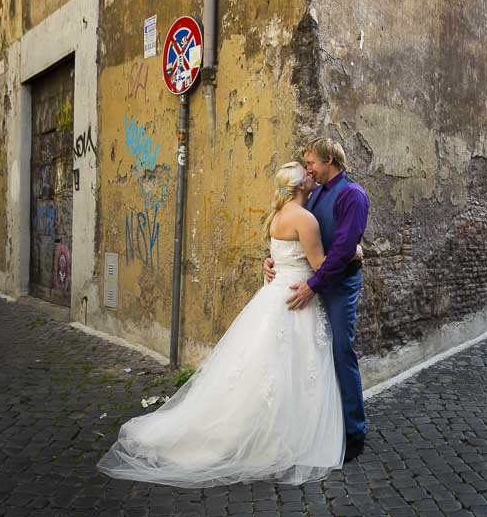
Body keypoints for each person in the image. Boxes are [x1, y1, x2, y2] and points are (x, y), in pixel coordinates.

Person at [96, 162, 344, 488]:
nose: (312, 177)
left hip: (273, 296)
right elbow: (319, 266)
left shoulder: (278, 216)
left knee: (266, 370)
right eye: (308, 175)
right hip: (296, 298)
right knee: (292, 369)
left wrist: (268, 265)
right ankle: (279, 439)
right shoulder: (306, 219)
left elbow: (279, 257)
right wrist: (350, 252)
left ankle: (265, 432)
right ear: (299, 186)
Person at [265, 137, 369, 463]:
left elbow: (340, 253)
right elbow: (296, 236)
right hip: (312, 280)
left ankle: (354, 431)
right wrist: (273, 262)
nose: (308, 168)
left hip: (337, 284)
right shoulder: (317, 193)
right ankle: (316, 421)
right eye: (306, 164)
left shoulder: (352, 195)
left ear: (329, 160)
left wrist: (312, 285)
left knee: (341, 350)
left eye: (311, 162)